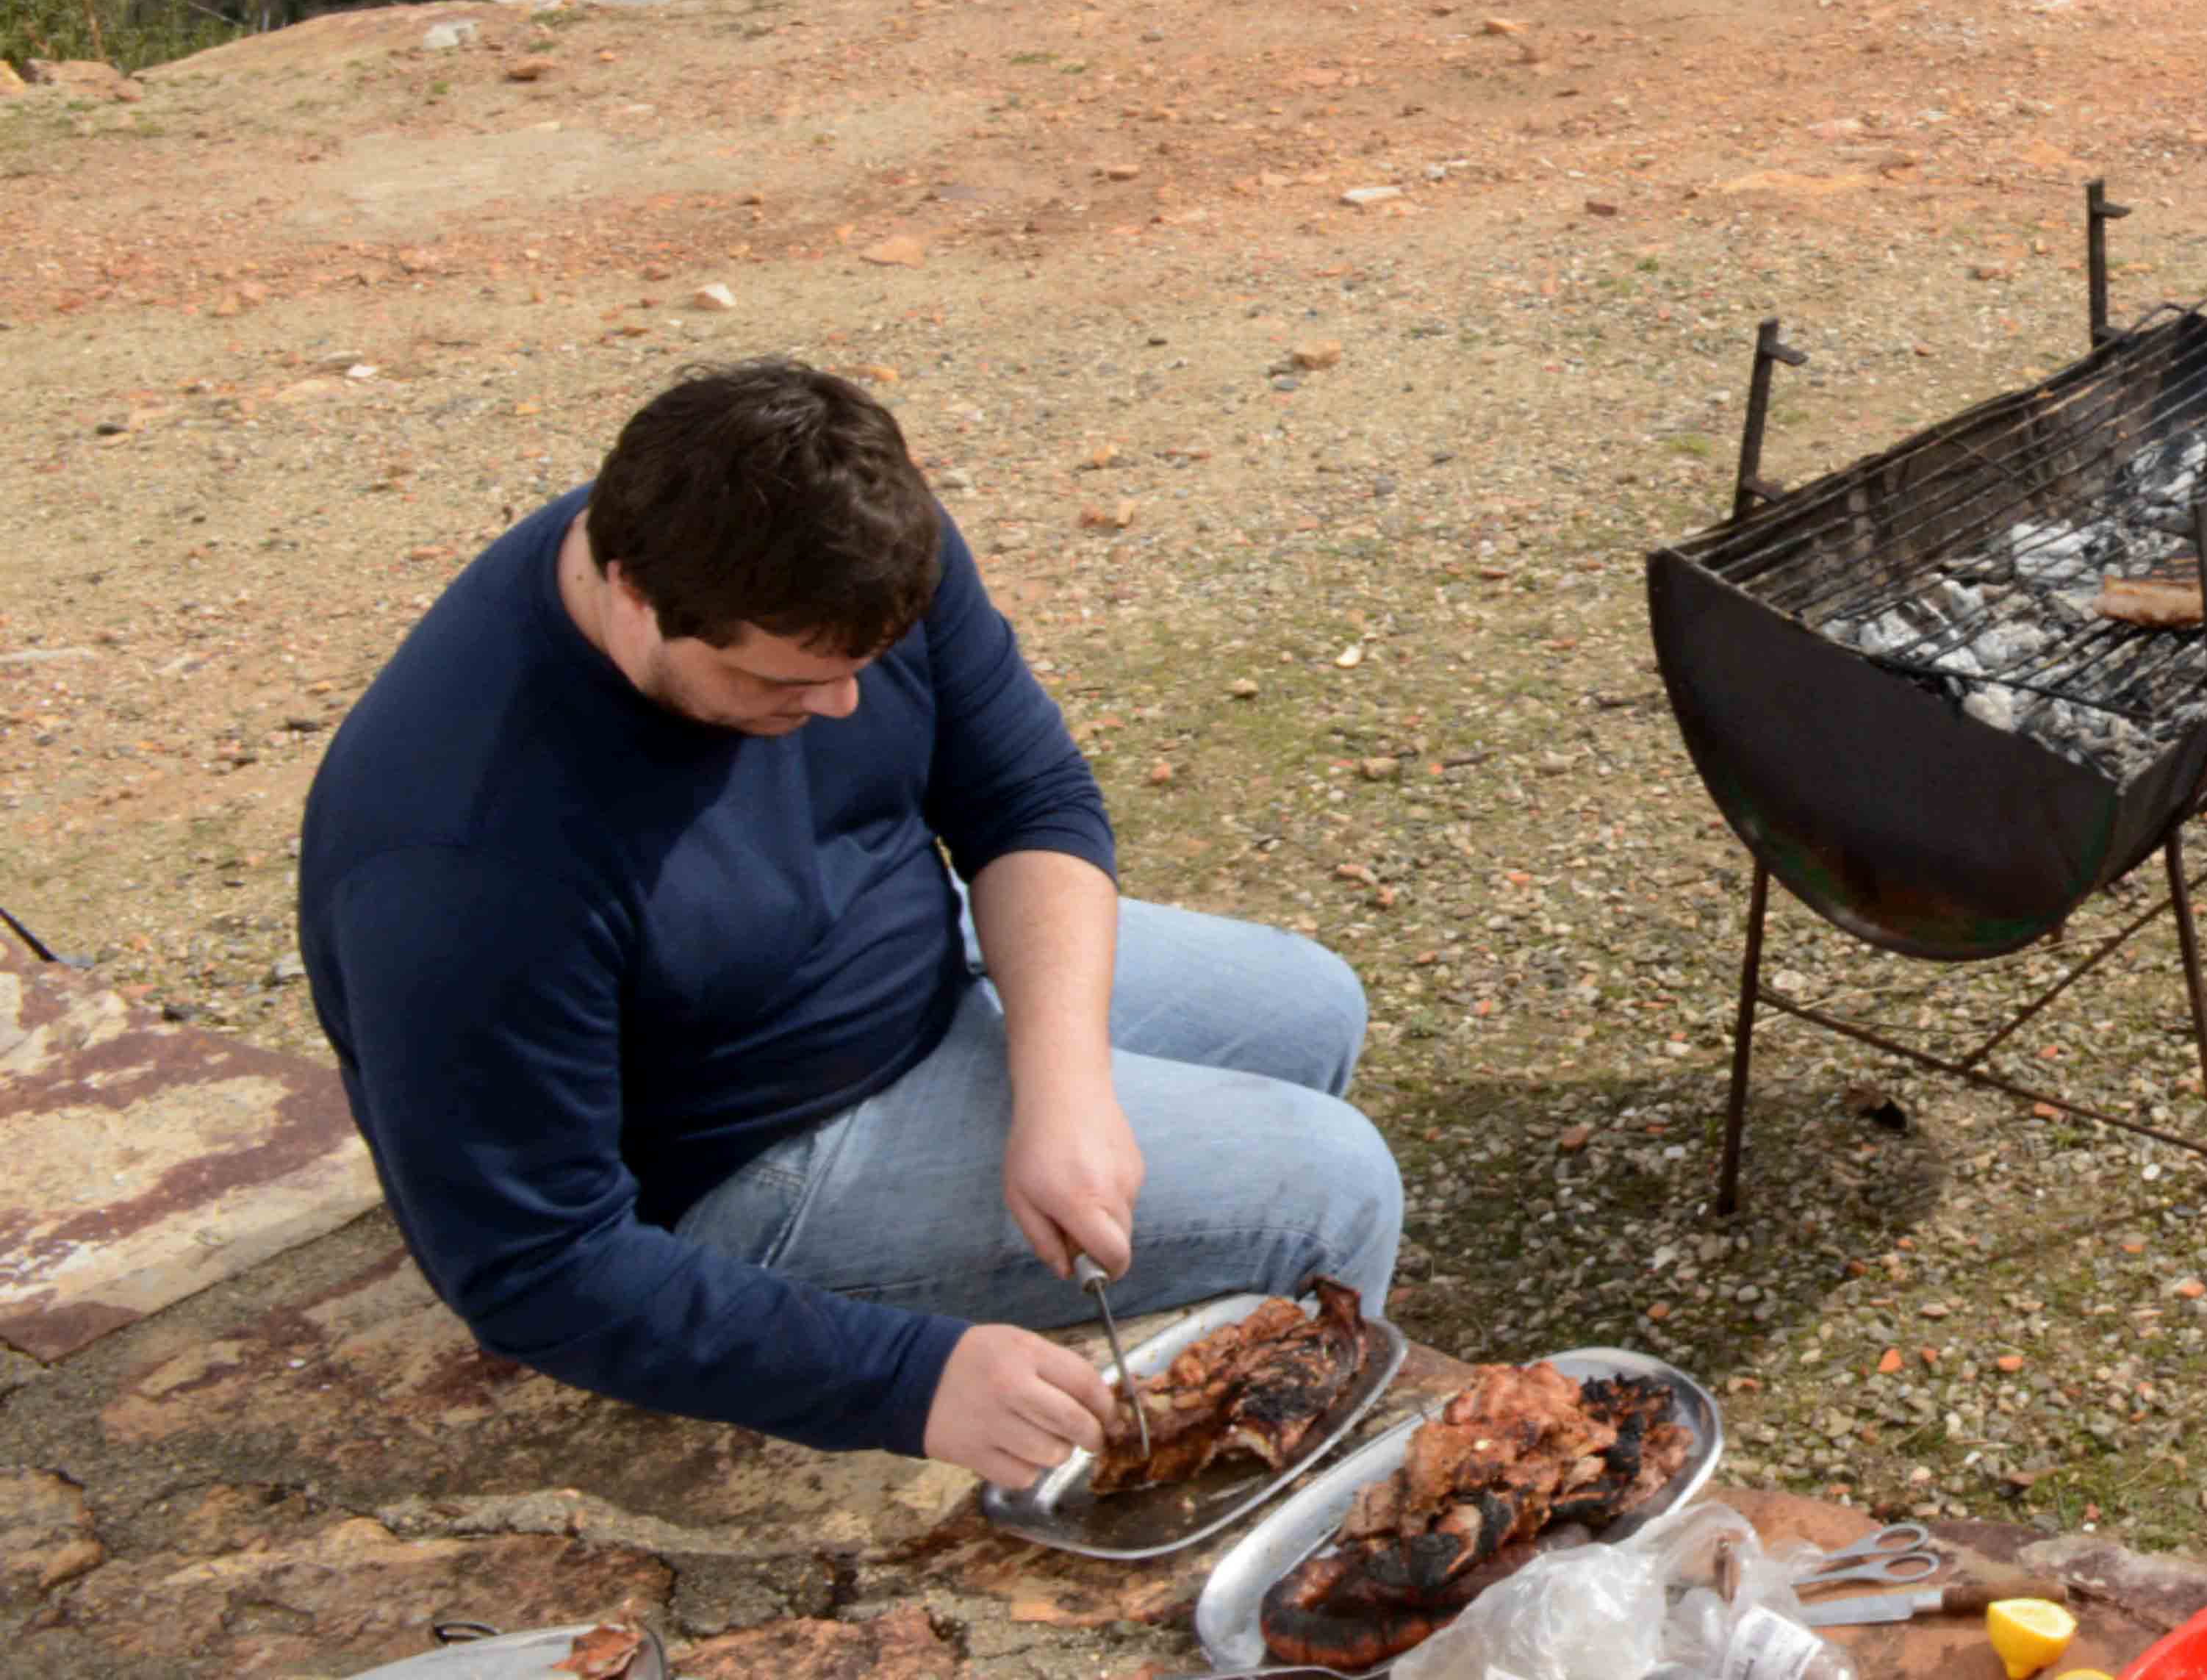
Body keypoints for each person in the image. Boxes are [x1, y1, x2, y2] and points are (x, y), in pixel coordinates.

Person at [297, 362, 1399, 1481]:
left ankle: (1193, 1356)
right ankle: (1256, 1541)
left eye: (863, 667)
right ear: (632, 594)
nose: (841, 709)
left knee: (1311, 1009)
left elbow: (1026, 801)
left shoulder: (842, 545)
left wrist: (1063, 1089)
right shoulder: (459, 852)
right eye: (785, 685)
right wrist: (906, 1378)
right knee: (1330, 1184)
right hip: (738, 1162)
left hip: (904, 963)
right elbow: (532, 1268)